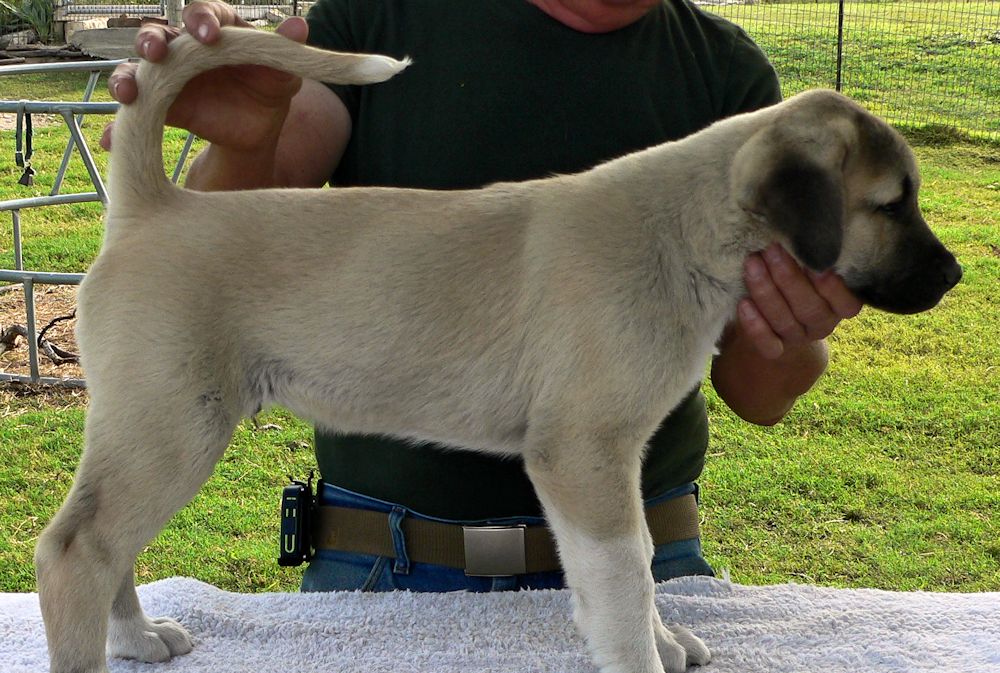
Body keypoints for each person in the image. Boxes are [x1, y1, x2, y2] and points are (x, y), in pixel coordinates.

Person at [104, 0, 862, 593]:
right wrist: (246, 138)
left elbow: (762, 394)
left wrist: (790, 325)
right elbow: (227, 262)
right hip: (384, 562)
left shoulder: (726, 78)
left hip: (649, 563)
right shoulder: (384, 17)